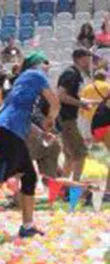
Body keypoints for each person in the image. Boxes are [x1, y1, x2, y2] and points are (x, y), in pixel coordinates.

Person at [0, 51, 59, 238]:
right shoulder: (35, 75)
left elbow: (23, 118)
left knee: (29, 176)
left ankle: (27, 225)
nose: (48, 67)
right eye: (45, 63)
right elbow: (55, 103)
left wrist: (43, 133)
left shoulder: (24, 83)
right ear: (37, 65)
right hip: (8, 132)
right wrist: (50, 119)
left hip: (9, 131)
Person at [57, 48, 93, 181]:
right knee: (80, 153)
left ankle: (64, 188)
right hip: (66, 118)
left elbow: (71, 96)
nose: (89, 61)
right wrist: (81, 104)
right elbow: (61, 95)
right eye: (87, 58)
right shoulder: (71, 74)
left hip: (65, 117)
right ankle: (74, 187)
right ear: (80, 59)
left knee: (69, 155)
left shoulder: (73, 73)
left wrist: (88, 102)